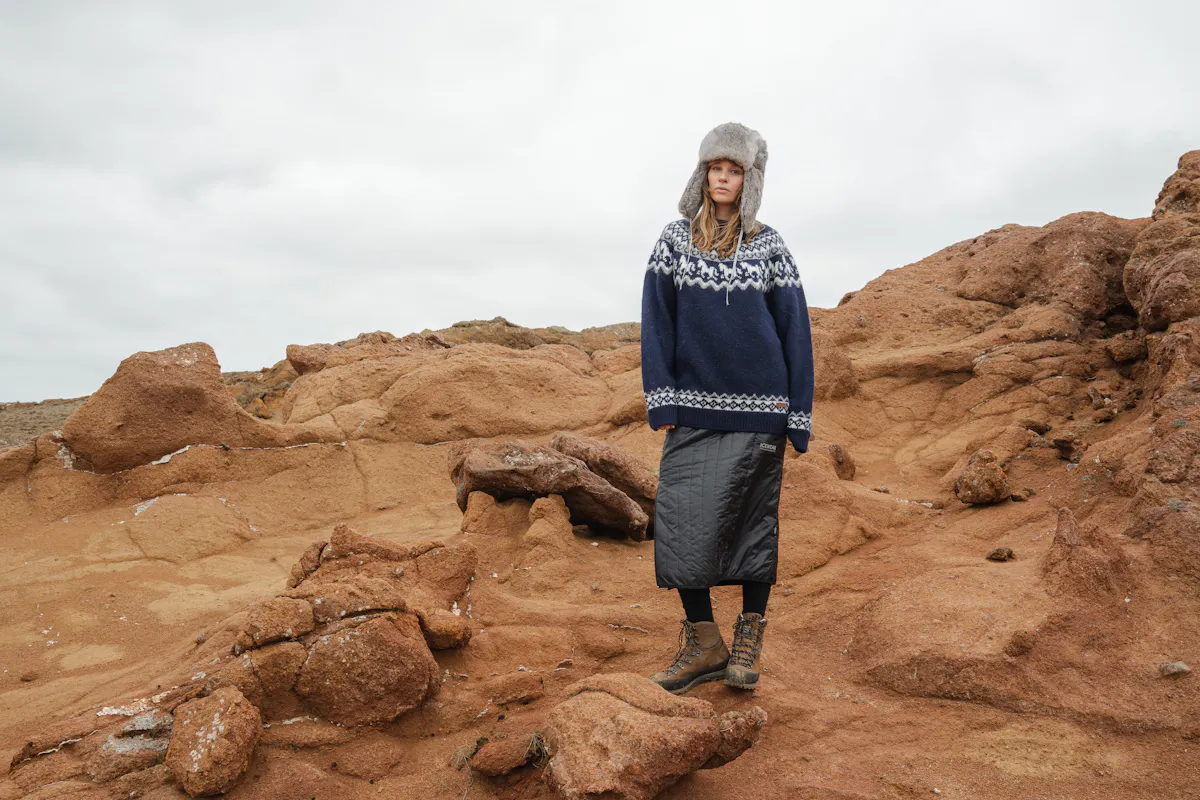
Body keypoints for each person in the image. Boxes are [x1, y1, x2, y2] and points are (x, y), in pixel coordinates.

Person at [640, 121, 814, 694]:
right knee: (683, 526)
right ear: (702, 173)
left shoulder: (769, 244)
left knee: (751, 527)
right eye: (716, 167)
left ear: (749, 179)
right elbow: (657, 322)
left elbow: (794, 331)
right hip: (691, 407)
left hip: (760, 406)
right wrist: (661, 394)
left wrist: (798, 411)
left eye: (734, 170)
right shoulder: (673, 241)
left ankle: (747, 639)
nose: (723, 177)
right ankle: (704, 641)